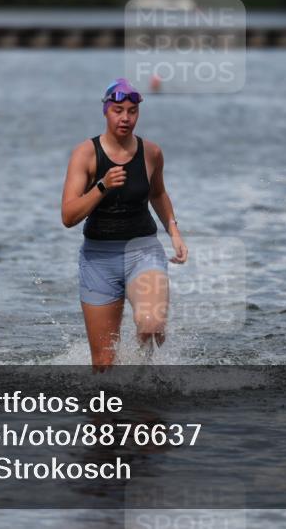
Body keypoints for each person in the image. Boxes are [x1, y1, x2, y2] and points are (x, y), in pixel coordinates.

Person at [61, 79, 188, 372]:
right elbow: (68, 217)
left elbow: (158, 193)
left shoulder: (151, 152)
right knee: (103, 365)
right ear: (106, 111)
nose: (125, 118)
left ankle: (143, 381)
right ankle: (117, 402)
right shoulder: (86, 154)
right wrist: (102, 187)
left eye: (132, 111)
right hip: (98, 260)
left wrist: (174, 231)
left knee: (151, 323)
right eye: (118, 110)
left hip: (142, 252)